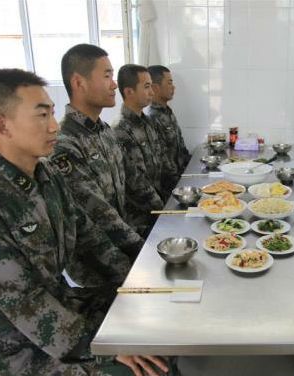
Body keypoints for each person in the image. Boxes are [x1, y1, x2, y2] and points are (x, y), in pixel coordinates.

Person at [0, 69, 168, 376]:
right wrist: (107, 345)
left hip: (64, 305)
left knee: (154, 315)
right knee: (144, 368)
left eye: (53, 113)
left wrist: (140, 280)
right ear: (2, 124)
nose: (54, 126)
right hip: (25, 347)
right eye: (41, 116)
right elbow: (27, 305)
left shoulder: (48, 176)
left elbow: (89, 237)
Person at [51, 44, 144, 261]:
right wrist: (142, 251)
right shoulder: (64, 142)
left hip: (125, 246)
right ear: (78, 82)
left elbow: (129, 185)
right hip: (100, 266)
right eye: (107, 76)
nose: (114, 85)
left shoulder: (104, 131)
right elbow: (97, 212)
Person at [113, 64, 165, 238]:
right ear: (129, 92)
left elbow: (160, 162)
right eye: (146, 86)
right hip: (140, 218)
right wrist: (163, 207)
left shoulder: (147, 122)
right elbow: (136, 181)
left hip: (157, 206)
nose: (152, 92)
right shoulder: (121, 130)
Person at [147, 65, 191, 200]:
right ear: (155, 88)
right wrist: (181, 183)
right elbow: (162, 160)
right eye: (169, 83)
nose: (173, 87)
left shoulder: (167, 112)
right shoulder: (153, 117)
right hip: (170, 188)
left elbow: (181, 148)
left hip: (181, 179)